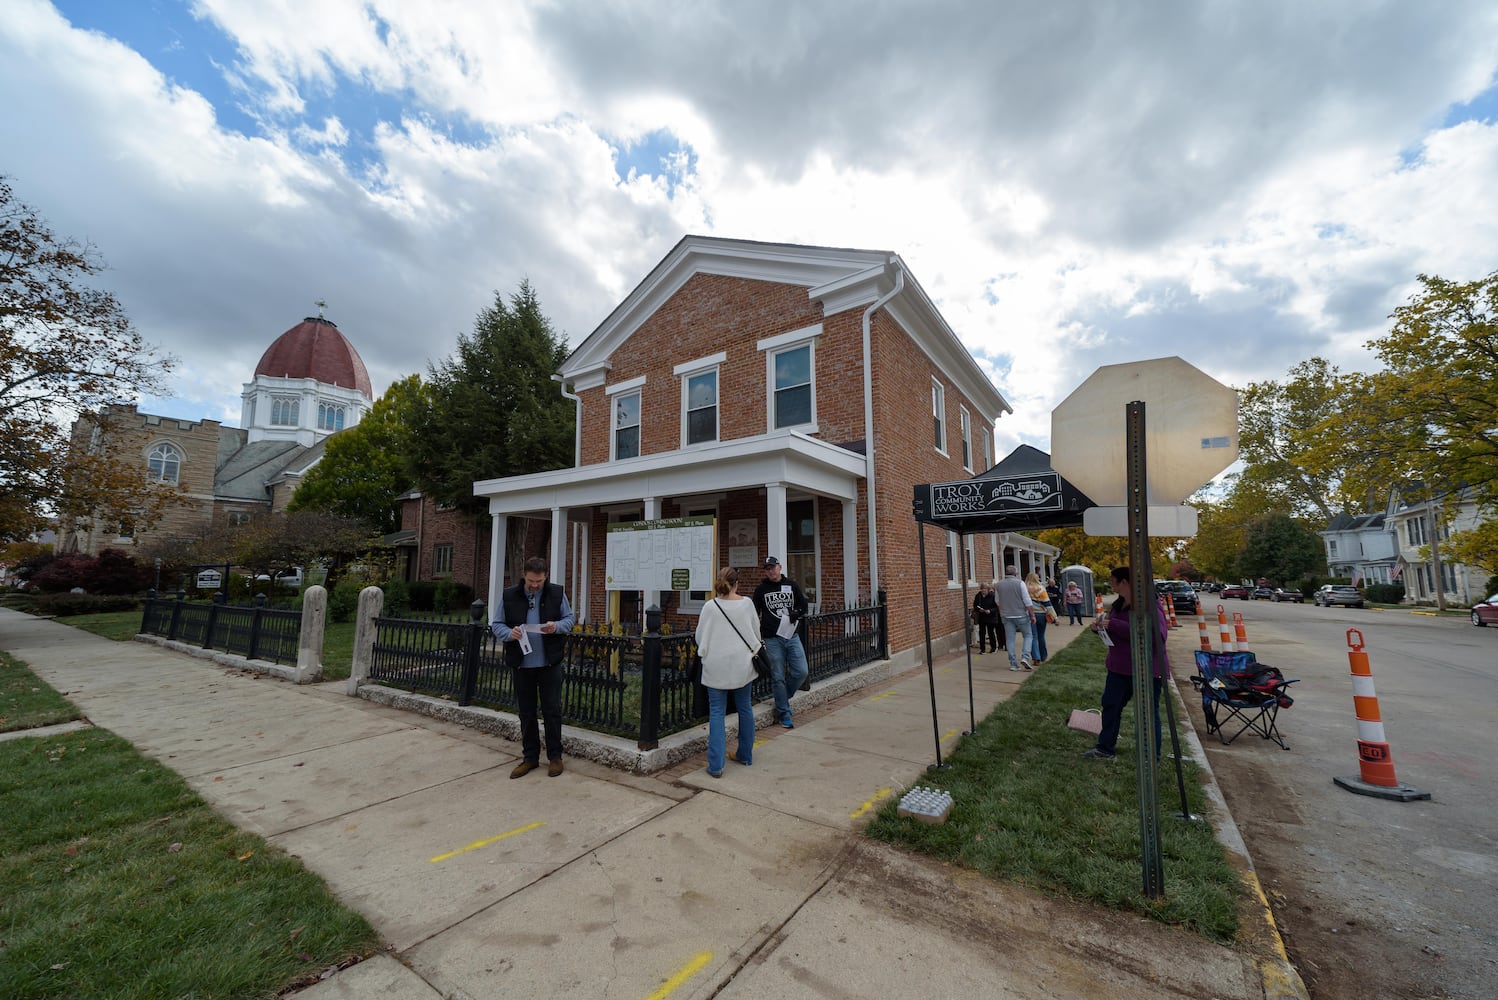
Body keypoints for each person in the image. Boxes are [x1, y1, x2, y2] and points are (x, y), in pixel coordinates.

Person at [492, 557, 575, 778]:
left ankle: (555, 757)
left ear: (545, 576)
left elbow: (570, 619)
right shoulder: (509, 595)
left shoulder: (556, 593)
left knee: (552, 710)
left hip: (549, 663)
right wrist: (510, 634)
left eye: (539, 581)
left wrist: (555, 627)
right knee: (526, 712)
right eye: (531, 581)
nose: (535, 585)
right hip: (522, 664)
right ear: (524, 576)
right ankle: (530, 758)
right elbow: (497, 624)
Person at [1082, 566, 1171, 761]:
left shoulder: (1149, 604)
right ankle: (1105, 749)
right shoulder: (1118, 604)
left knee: (1147, 712)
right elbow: (1120, 631)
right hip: (1118, 667)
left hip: (1145, 669)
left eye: (1113, 580)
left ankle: (1151, 755)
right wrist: (1100, 629)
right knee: (1111, 706)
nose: (1110, 584)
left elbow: (1157, 636)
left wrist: (1114, 625)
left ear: (1125, 582)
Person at [694, 567, 758, 777]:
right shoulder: (746, 604)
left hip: (716, 666)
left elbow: (700, 636)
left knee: (717, 712)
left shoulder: (710, 607)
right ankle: (745, 755)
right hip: (742, 664)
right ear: (737, 583)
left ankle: (716, 765)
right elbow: (756, 633)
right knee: (745, 708)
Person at [752, 556, 810, 728]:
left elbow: (803, 606)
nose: (770, 571)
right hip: (771, 639)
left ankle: (781, 700)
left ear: (780, 567)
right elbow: (754, 612)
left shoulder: (792, 586)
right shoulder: (761, 589)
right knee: (777, 677)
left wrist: (796, 612)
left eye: (773, 567)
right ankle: (784, 713)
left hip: (791, 636)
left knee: (801, 671)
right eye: (767, 568)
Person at [993, 566, 1035, 671]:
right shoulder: (1020, 583)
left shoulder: (998, 585)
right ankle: (1025, 657)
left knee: (1010, 639)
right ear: (1016, 573)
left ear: (1005, 573)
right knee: (1028, 636)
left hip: (1006, 616)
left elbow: (997, 602)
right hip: (1021, 614)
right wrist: (1032, 614)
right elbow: (1027, 601)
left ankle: (1013, 663)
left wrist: (1002, 612)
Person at [1026, 571, 1053, 664]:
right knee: (1041, 636)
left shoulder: (1024, 589)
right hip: (1041, 614)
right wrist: (1054, 617)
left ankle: (1035, 657)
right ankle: (1043, 655)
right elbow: (1047, 603)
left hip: (1029, 614)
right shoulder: (1041, 589)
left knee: (1033, 636)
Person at [971, 581, 1000, 654]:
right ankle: (982, 649)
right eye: (982, 589)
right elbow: (975, 605)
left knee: (991, 632)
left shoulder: (992, 596)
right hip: (982, 617)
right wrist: (978, 609)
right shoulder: (978, 596)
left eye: (985, 589)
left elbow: (997, 607)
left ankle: (993, 648)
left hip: (991, 617)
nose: (983, 590)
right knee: (982, 633)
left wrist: (990, 611)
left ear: (988, 589)